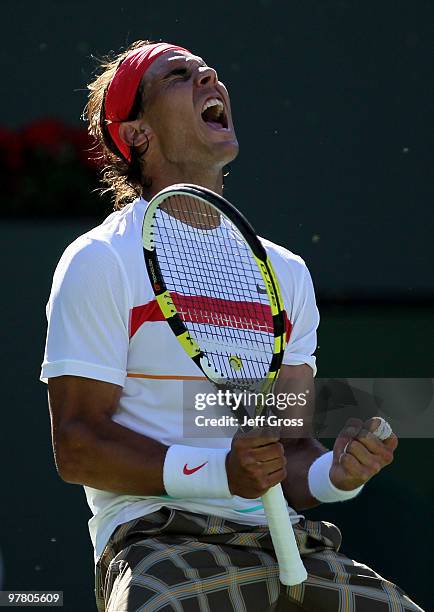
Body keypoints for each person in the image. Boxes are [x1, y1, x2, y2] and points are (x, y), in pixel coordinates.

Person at [41, 40, 424, 612]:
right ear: (138, 133)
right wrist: (219, 472)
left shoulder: (286, 273)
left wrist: (335, 474)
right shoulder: (99, 261)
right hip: (155, 539)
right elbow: (77, 448)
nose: (209, 76)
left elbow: (290, 447)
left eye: (207, 70)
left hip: (283, 542)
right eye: (179, 76)